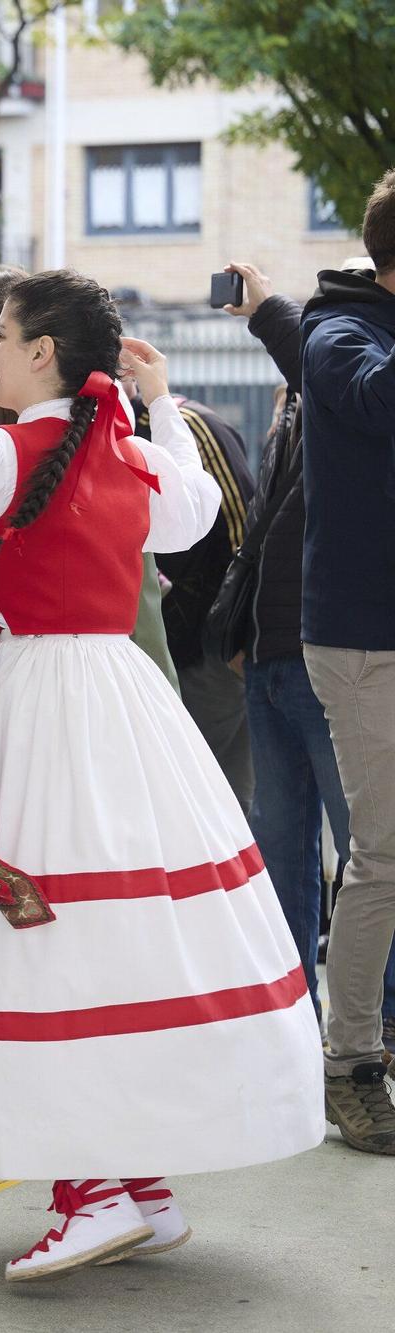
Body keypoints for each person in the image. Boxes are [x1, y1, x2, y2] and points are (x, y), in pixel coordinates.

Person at [0, 270, 321, 1281]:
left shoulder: (2, 452)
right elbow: (192, 511)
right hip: (118, 708)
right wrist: (157, 405)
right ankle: (136, 1181)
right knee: (113, 938)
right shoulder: (119, 448)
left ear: (40, 352)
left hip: (38, 708)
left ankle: (91, 1190)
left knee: (31, 944)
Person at [0, 267, 180, 872]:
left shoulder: (84, 455)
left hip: (71, 725)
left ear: (34, 347)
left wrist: (146, 717)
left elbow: (134, 610)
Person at [216, 258, 395, 1050]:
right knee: (342, 854)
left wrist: (263, 306)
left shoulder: (326, 349)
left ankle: (344, 1029)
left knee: (359, 851)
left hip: (316, 646)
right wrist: (235, 630)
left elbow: (296, 333)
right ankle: (319, 1038)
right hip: (313, 647)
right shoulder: (339, 344)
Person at [299, 168, 395, 1154]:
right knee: (383, 857)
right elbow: (372, 402)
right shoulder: (340, 336)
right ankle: (347, 1065)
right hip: (365, 639)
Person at [140, 387, 255, 808]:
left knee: (193, 791)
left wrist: (238, 633)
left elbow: (241, 528)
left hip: (209, 645)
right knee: (224, 791)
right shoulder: (143, 428)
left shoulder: (187, 427)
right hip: (191, 639)